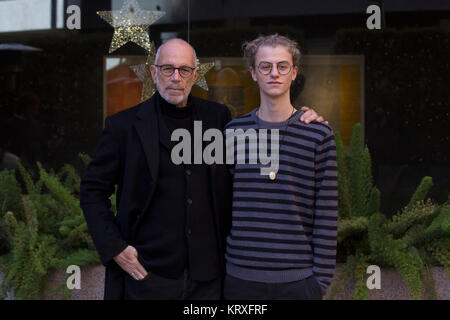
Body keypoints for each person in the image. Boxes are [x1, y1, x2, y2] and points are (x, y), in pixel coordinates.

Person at [79, 38, 325, 300]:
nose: (176, 77)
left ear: (195, 75)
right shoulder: (123, 126)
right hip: (148, 276)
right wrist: (115, 248)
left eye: (184, 70)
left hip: (209, 279)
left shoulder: (218, 118)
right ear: (153, 72)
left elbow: (257, 152)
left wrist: (301, 120)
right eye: (167, 69)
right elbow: (92, 191)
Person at [223, 34, 338, 300]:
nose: (274, 73)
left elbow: (327, 214)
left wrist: (319, 282)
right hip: (240, 280)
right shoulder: (233, 132)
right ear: (253, 73)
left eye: (282, 66)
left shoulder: (318, 135)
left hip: (298, 283)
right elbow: (222, 205)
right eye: (265, 66)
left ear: (294, 72)